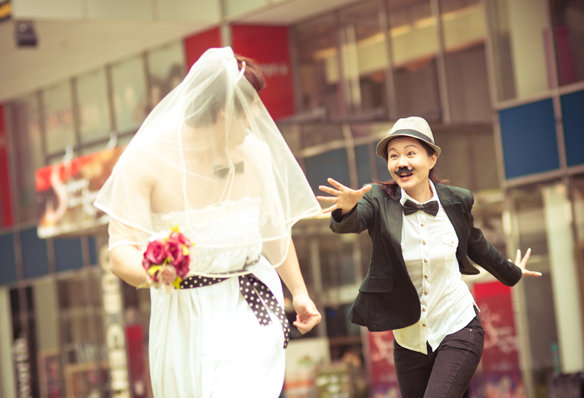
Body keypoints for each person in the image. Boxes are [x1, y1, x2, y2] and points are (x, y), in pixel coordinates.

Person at [94, 47, 322, 397]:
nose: (255, 121)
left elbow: (273, 231)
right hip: (186, 313)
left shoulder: (254, 153)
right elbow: (120, 252)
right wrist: (151, 272)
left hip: (249, 302)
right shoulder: (144, 161)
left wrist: (300, 292)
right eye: (248, 111)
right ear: (223, 111)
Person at [316, 116, 541, 398]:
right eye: (394, 156)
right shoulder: (378, 200)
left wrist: (512, 271)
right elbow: (352, 222)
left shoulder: (456, 201)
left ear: (432, 158)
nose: (401, 162)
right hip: (409, 340)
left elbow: (476, 244)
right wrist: (346, 209)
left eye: (411, 153)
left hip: (458, 325)